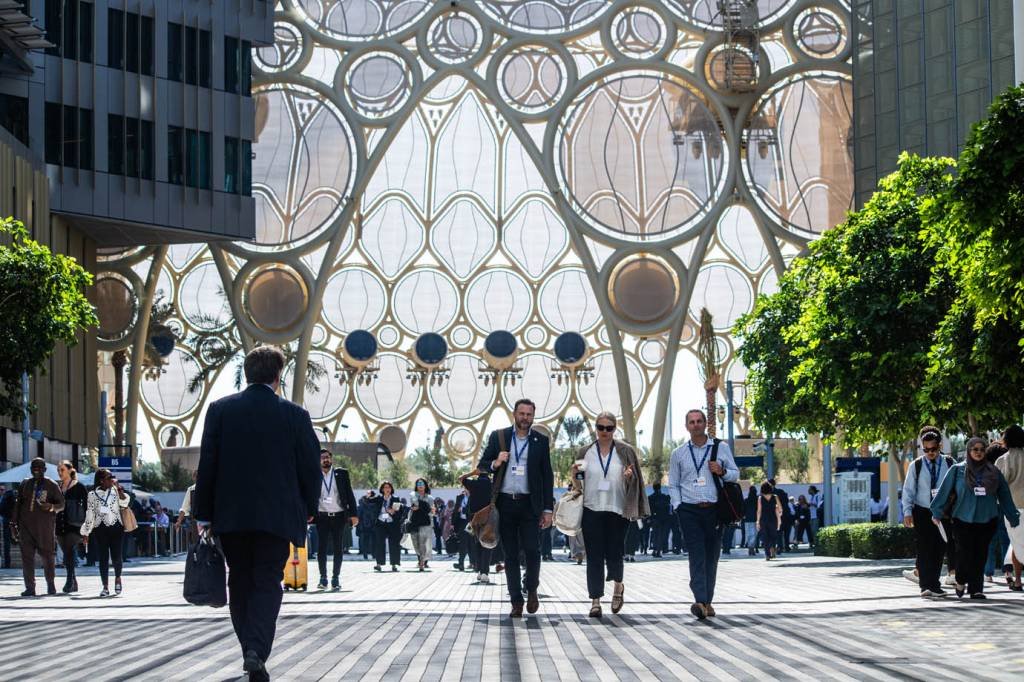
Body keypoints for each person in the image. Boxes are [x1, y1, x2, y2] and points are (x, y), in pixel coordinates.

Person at [194, 345, 321, 682]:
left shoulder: (220, 410)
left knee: (239, 581)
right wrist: (308, 509)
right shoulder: (295, 415)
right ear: (278, 377)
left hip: (231, 517)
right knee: (267, 582)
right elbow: (310, 469)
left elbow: (207, 465)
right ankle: (257, 651)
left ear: (247, 373)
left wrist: (202, 514)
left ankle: (251, 649)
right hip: (276, 518)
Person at [477, 398, 554, 618]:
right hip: (505, 504)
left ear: (533, 416)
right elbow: (482, 465)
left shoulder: (540, 441)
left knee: (533, 550)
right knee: (510, 555)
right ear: (514, 414)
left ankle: (531, 588)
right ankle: (516, 601)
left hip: (530, 504)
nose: (525, 418)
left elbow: (546, 476)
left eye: (529, 414)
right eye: (522, 414)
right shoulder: (499, 437)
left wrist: (548, 509)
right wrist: (495, 462)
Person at [570, 411, 649, 618]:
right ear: (595, 428)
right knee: (594, 556)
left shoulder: (625, 451)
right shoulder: (585, 451)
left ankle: (618, 587)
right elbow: (578, 483)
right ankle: (595, 600)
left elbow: (636, 482)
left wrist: (628, 477)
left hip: (617, 509)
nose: (604, 432)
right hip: (591, 508)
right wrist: (573, 475)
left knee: (615, 553)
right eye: (600, 427)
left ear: (615, 429)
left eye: (609, 428)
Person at [668, 409, 739, 620]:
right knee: (696, 554)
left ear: (705, 424)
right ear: (686, 426)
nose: (696, 425)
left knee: (712, 555)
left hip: (715, 510)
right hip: (689, 510)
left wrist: (722, 471)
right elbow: (673, 483)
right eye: (692, 422)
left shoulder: (720, 448)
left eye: (699, 421)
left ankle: (707, 601)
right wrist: (678, 505)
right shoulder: (678, 454)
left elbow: (735, 475)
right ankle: (700, 599)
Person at [931, 436, 1020, 599]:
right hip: (962, 519)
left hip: (987, 519)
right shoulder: (957, 470)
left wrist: (1013, 516)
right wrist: (936, 512)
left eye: (981, 449)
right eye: (975, 449)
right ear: (968, 451)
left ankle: (976, 589)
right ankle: (960, 580)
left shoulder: (993, 472)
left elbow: (1005, 495)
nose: (979, 452)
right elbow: (944, 492)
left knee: (980, 555)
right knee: (964, 554)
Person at [901, 426, 956, 597]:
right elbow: (908, 490)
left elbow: (957, 487)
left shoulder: (949, 463)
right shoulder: (916, 465)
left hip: (943, 511)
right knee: (924, 549)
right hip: (922, 511)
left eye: (933, 449)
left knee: (939, 548)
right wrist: (907, 512)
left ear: (940, 446)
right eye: (926, 449)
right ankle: (925, 586)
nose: (929, 452)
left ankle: (935, 585)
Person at [11, 458, 65, 596]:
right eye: (34, 468)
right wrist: (13, 524)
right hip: (26, 528)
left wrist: (52, 506)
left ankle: (51, 585)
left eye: (40, 468)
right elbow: (18, 505)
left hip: (44, 528)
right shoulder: (25, 484)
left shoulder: (51, 485)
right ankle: (30, 587)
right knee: (27, 558)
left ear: (45, 470)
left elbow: (62, 505)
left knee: (48, 557)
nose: (36, 470)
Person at [78, 468, 130, 596]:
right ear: (101, 480)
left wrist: (120, 490)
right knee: (103, 558)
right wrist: (86, 532)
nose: (112, 479)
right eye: (109, 477)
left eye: (112, 477)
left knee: (117, 556)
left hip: (116, 527)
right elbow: (90, 514)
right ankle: (105, 586)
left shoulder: (115, 491)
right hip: (100, 529)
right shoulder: (92, 495)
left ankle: (118, 578)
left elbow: (125, 502)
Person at [315, 449, 358, 590]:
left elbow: (350, 495)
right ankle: (323, 578)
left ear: (331, 459)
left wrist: (354, 514)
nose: (325, 460)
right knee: (321, 548)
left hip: (339, 516)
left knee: (338, 548)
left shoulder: (341, 474)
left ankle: (335, 578)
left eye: (327, 457)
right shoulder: (314, 474)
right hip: (322, 516)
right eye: (322, 458)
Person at [995, 425, 1024, 591]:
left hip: (1012, 508)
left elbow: (998, 483)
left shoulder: (1003, 460)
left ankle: (1018, 580)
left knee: (1016, 543)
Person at [56, 461, 87, 593]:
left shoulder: (79, 487)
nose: (59, 472)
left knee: (69, 550)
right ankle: (73, 580)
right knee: (66, 552)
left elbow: (87, 506)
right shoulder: (57, 487)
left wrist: (87, 527)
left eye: (62, 469)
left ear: (69, 470)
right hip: (60, 524)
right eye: (58, 470)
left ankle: (69, 580)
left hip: (74, 524)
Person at [459, 469, 495, 584]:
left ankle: (479, 570)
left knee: (476, 544)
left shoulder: (473, 484)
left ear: (478, 473)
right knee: (487, 545)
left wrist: (471, 473)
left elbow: (461, 478)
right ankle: (485, 572)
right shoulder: (492, 484)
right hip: (489, 518)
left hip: (475, 520)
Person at [371, 481, 405, 572]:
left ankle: (394, 564)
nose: (387, 489)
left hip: (392, 523)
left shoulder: (395, 498)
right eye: (385, 487)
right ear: (382, 489)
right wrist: (369, 495)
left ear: (391, 489)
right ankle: (378, 564)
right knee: (379, 544)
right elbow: (368, 501)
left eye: (389, 487)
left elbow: (399, 512)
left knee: (394, 544)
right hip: (381, 523)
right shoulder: (379, 498)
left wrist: (393, 512)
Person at [407, 478, 435, 571]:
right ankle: (420, 558)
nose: (420, 485)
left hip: (426, 522)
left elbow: (431, 512)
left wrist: (431, 511)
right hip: (414, 521)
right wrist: (425, 507)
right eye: (418, 483)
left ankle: (422, 562)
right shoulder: (413, 494)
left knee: (423, 542)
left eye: (422, 483)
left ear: (425, 485)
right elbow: (414, 503)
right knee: (416, 542)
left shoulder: (430, 498)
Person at [756, 482, 782, 561]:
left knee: (765, 537)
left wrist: (757, 521)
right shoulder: (775, 497)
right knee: (773, 535)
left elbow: (759, 511)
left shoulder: (760, 498)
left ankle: (767, 555)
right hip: (773, 518)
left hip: (763, 519)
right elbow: (780, 508)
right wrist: (778, 512)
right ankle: (773, 548)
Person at [175, 471, 199, 548]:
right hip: (199, 521)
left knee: (201, 544)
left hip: (201, 521)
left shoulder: (192, 489)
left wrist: (179, 521)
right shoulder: (191, 490)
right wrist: (179, 521)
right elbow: (184, 508)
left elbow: (184, 508)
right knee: (198, 543)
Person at [648, 482, 671, 558]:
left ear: (653, 488)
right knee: (662, 534)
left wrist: (649, 518)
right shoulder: (665, 497)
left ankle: (655, 549)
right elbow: (668, 507)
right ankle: (659, 550)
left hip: (655, 518)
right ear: (660, 488)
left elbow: (649, 509)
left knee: (656, 534)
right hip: (664, 518)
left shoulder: (650, 497)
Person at [357, 490, 378, 560]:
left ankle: (366, 554)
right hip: (371, 525)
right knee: (373, 540)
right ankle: (373, 554)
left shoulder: (363, 505)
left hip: (365, 525)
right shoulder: (375, 504)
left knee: (366, 541)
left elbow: (359, 515)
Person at [0, 484, 13, 569]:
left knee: (7, 543)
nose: (2, 491)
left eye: (3, 489)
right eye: (1, 489)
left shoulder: (6, 498)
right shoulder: (6, 498)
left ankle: (7, 564)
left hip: (5, 521)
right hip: (7, 521)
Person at [743, 486, 758, 554]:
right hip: (755, 518)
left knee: (749, 534)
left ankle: (750, 547)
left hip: (747, 519)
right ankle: (752, 547)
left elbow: (743, 509)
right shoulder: (757, 500)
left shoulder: (746, 500)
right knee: (754, 534)